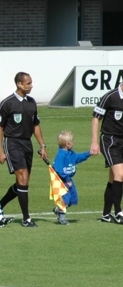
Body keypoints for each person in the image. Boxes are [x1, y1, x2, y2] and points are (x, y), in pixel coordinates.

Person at [0, 72, 47, 228]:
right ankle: (26, 219)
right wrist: (0, 151)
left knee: (22, 183)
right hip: (12, 143)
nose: (31, 86)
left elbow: (35, 125)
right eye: (28, 83)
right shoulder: (7, 103)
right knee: (23, 178)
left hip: (27, 143)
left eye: (31, 83)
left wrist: (42, 146)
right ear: (19, 84)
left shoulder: (32, 102)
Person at [90, 78, 123, 223]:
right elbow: (96, 118)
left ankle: (106, 214)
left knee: (113, 178)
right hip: (110, 140)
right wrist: (94, 142)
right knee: (121, 174)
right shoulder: (110, 96)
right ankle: (118, 212)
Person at [51, 130, 92, 225]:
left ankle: (58, 209)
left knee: (73, 199)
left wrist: (89, 153)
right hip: (62, 181)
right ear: (67, 144)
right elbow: (58, 170)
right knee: (65, 199)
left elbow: (78, 157)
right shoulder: (61, 155)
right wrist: (67, 179)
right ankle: (61, 218)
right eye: (72, 141)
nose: (73, 143)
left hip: (68, 180)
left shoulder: (71, 153)